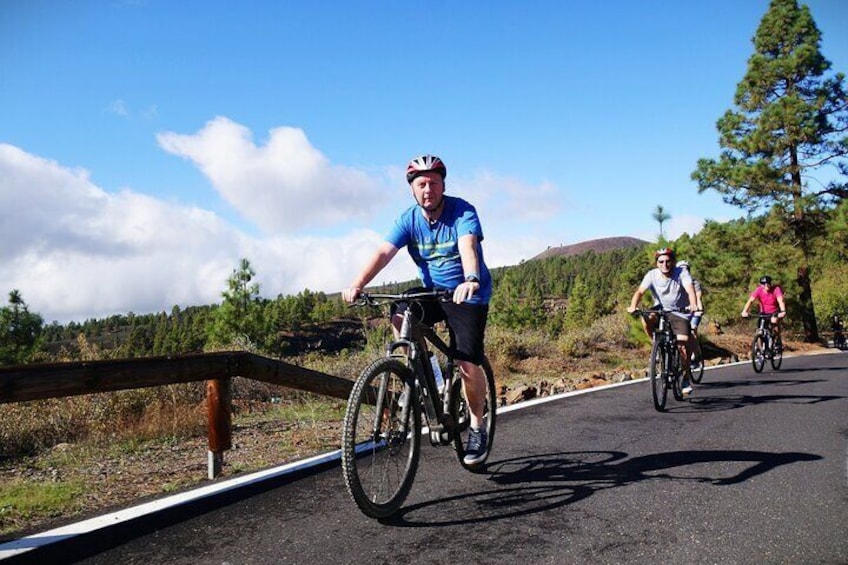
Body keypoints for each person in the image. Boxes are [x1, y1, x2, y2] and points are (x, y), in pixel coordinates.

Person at [342, 154, 493, 465]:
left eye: (434, 183)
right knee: (401, 309)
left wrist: (471, 279)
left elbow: (467, 245)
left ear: (443, 186)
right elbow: (384, 252)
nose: (428, 190)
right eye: (422, 184)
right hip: (432, 293)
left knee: (467, 364)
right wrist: (357, 283)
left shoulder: (462, 211)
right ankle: (431, 373)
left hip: (467, 294)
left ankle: (477, 426)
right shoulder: (408, 219)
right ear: (412, 189)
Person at [626, 248, 698, 395]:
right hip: (661, 309)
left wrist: (693, 304)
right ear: (656, 263)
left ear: (673, 262)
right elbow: (640, 291)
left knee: (683, 343)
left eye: (668, 261)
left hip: (679, 311)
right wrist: (633, 306)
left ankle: (685, 377)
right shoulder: (652, 275)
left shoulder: (681, 273)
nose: (664, 264)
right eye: (661, 261)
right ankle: (656, 343)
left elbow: (690, 290)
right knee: (647, 316)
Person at [741, 275, 786, 346]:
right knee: (760, 329)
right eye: (763, 284)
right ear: (760, 284)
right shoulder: (758, 290)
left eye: (768, 283)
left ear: (770, 283)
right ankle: (761, 348)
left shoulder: (776, 289)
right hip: (764, 313)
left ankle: (777, 340)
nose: (766, 285)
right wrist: (744, 311)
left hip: (775, 312)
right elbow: (750, 301)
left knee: (774, 321)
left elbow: (781, 301)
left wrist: (783, 311)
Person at [677, 260, 704, 364]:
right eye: (681, 269)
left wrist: (698, 308)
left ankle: (695, 352)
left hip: (694, 310)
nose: (684, 271)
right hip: (681, 311)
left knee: (693, 329)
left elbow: (698, 296)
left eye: (686, 269)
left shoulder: (694, 282)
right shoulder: (675, 281)